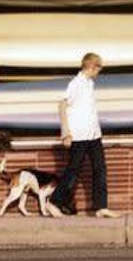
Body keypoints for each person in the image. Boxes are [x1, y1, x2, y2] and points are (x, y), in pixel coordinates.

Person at [51, 52, 120, 218]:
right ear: (92, 66)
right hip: (79, 135)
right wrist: (65, 133)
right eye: (98, 68)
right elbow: (62, 105)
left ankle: (101, 207)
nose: (99, 72)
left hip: (93, 134)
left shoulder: (89, 83)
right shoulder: (76, 84)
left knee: (100, 168)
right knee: (73, 170)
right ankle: (54, 202)